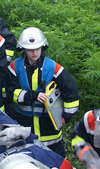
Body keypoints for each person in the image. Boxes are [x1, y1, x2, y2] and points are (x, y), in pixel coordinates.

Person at [7, 27, 80, 157]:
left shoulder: (52, 67)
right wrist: (32, 96)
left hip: (49, 125)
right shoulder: (15, 67)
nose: (35, 52)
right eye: (30, 49)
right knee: (27, 156)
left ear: (43, 46)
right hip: (24, 122)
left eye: (38, 48)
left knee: (56, 159)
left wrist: (67, 115)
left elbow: (71, 90)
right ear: (23, 49)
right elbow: (10, 91)